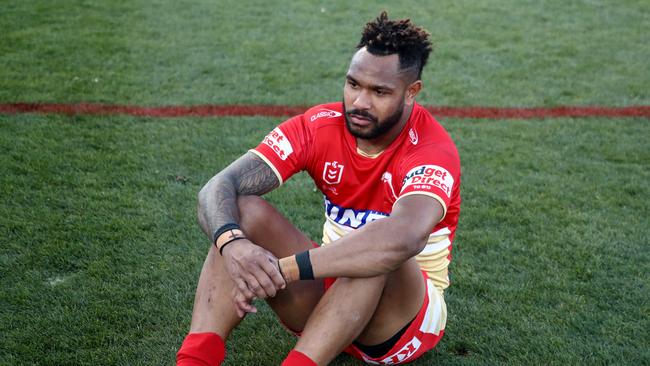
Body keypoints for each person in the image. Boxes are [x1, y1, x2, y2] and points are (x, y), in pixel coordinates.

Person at [176, 11, 461, 366]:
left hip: (401, 320)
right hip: (326, 296)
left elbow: (403, 238)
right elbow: (216, 187)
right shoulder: (320, 126)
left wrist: (285, 271)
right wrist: (233, 246)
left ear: (411, 92)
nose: (359, 102)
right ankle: (195, 359)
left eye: (379, 92)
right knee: (239, 208)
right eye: (354, 84)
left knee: (377, 243)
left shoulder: (431, 150)